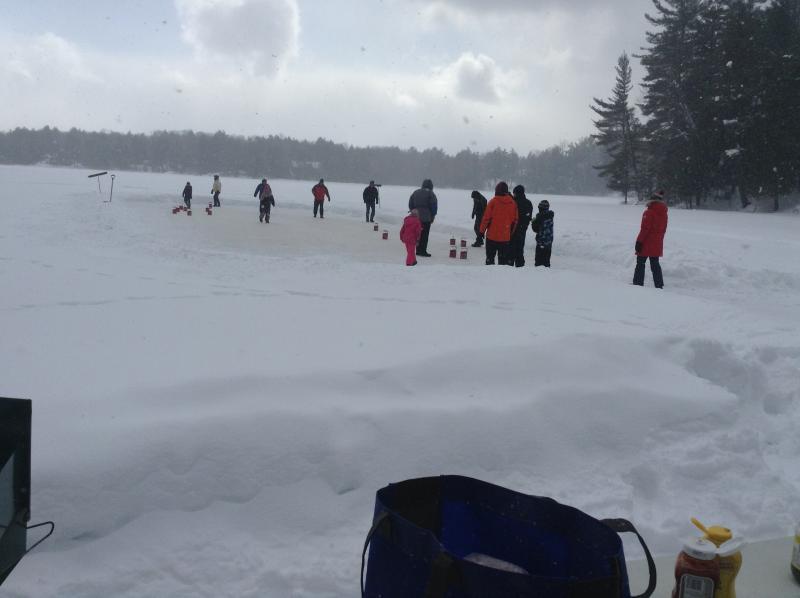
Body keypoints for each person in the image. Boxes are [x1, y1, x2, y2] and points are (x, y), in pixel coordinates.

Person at [632, 190, 668, 288]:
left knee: (640, 262)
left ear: (652, 200)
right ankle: (659, 285)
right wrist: (659, 240)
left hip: (646, 242)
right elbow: (664, 229)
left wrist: (639, 241)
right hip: (657, 242)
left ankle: (638, 283)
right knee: (655, 263)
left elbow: (645, 229)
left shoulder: (648, 212)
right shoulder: (664, 213)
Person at [479, 182, 518, 265]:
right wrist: (510, 234)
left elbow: (486, 219)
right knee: (503, 262)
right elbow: (515, 221)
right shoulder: (512, 203)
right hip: (505, 237)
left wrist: (481, 232)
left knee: (490, 259)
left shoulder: (493, 202)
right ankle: (501, 273)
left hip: (492, 237)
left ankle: (489, 272)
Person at [408, 179, 437, 257]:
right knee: (424, 234)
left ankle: (417, 250)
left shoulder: (416, 192)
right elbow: (434, 205)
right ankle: (423, 251)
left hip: (415, 217)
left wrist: (412, 211)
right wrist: (433, 215)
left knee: (417, 233)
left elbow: (410, 203)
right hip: (426, 218)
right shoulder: (431, 194)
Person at [509, 185, 533, 267]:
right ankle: (520, 268)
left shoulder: (513, 202)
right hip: (522, 230)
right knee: (519, 251)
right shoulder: (528, 203)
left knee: (511, 251)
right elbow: (528, 217)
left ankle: (509, 268)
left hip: (512, 230)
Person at [531, 200, 555, 267]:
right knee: (546, 262)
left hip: (541, 242)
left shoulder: (540, 217)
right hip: (549, 243)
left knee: (538, 263)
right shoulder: (550, 216)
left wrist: (533, 222)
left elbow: (535, 229)